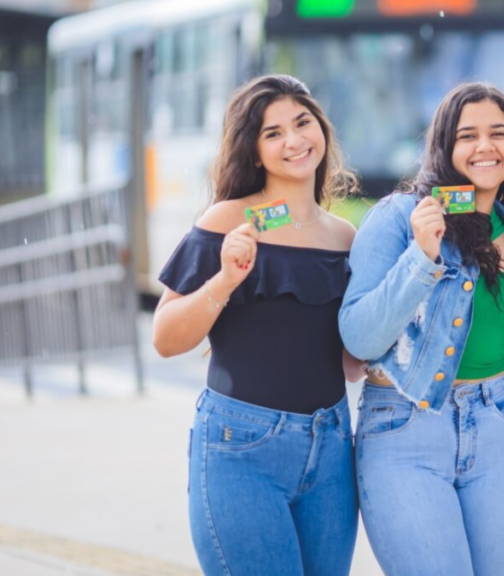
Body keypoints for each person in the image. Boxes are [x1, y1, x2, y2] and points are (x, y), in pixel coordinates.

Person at [338, 82, 504, 576]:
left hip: (500, 428)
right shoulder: (397, 218)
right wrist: (422, 255)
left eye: (499, 133)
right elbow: (359, 339)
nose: (485, 146)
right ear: (443, 147)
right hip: (405, 429)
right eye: (467, 135)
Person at [152, 75, 363, 576]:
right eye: (273, 133)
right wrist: (224, 281)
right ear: (253, 151)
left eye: (302, 123)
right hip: (240, 448)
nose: (293, 141)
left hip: (331, 448)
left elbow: (352, 364)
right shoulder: (227, 221)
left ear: (322, 131)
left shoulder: (344, 237)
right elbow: (164, 337)